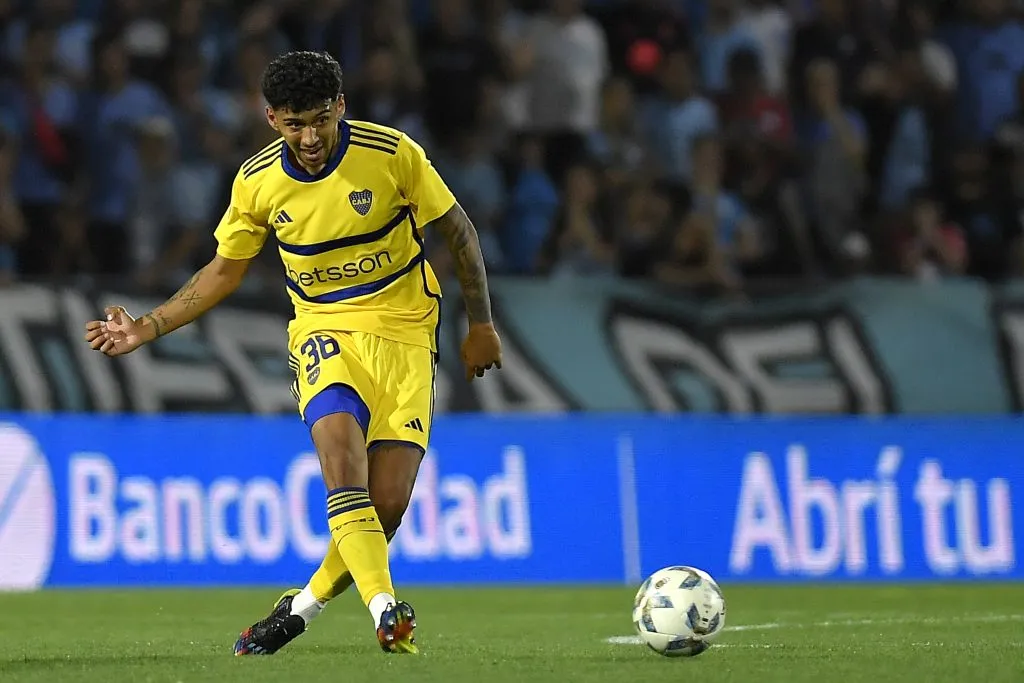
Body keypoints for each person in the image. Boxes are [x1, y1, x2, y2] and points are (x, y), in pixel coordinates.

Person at [82, 51, 503, 656]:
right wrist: (148, 327)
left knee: (383, 507)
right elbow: (224, 271)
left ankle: (300, 609)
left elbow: (458, 231)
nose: (308, 137)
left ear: (340, 108)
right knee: (339, 456)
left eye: (319, 121)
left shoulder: (392, 155)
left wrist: (481, 324)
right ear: (271, 117)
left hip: (408, 332)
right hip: (322, 331)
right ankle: (388, 611)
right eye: (293, 123)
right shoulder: (256, 182)